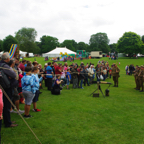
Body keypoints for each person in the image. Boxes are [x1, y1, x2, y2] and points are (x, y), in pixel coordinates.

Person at [0, 52, 18, 127]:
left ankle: (7, 120)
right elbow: (14, 74)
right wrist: (11, 75)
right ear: (7, 59)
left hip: (3, 87)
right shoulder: (5, 66)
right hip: (6, 88)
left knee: (5, 105)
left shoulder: (1, 64)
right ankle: (8, 123)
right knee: (7, 105)